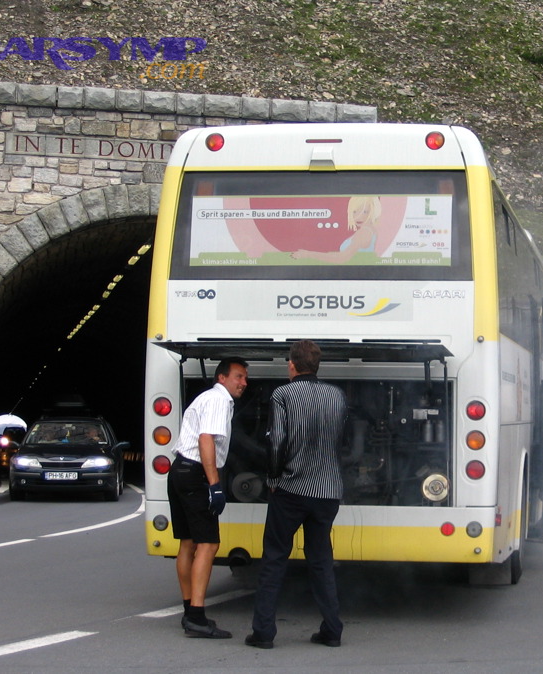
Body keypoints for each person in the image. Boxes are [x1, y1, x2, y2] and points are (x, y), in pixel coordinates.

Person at [246, 340, 349, 649]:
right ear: (317, 365)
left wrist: (274, 477)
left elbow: (276, 442)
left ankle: (264, 633)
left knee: (275, 558)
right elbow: (340, 443)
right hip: (328, 491)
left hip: (290, 489)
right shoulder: (337, 396)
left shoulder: (283, 395)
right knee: (321, 560)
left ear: (291, 364)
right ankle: (332, 630)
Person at [168, 356, 248, 639]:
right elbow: (206, 439)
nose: (244, 383)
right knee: (209, 544)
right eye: (238, 376)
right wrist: (214, 484)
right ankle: (197, 617)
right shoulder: (217, 400)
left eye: (245, 378)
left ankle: (189, 611)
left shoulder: (207, 398)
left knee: (187, 543)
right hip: (196, 475)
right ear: (222, 378)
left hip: (179, 470)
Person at [291, 195, 382, 263]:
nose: (358, 216)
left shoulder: (364, 232)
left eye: (365, 212)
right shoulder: (369, 230)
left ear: (373, 210)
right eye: (354, 211)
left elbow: (342, 258)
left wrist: (308, 254)